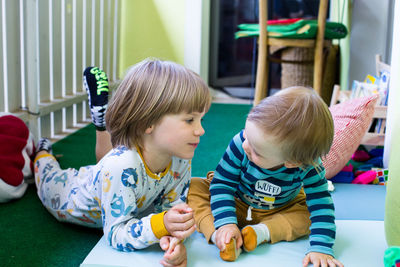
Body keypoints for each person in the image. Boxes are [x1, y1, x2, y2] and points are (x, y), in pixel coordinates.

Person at [34, 59, 211, 267]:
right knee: (46, 174)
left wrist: (173, 239)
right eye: (190, 120)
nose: (201, 130)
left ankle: (99, 123)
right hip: (68, 196)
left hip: (108, 181)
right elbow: (116, 233)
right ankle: (41, 151)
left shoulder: (180, 157)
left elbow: (170, 210)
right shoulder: (121, 166)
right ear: (148, 123)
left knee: (106, 166)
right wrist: (161, 224)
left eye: (201, 120)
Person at [187, 86, 344, 267]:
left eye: (257, 152)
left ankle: (260, 232)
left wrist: (321, 248)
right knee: (194, 188)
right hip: (236, 201)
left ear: (292, 162)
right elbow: (222, 185)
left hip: (281, 208)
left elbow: (321, 204)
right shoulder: (241, 144)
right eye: (247, 135)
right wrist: (226, 223)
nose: (247, 146)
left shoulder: (309, 167)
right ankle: (221, 237)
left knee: (308, 215)